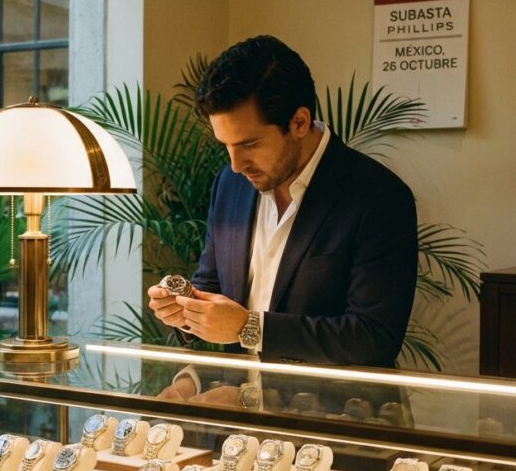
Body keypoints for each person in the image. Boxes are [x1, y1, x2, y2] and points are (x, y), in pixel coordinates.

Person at [148, 35, 418, 403]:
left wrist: (250, 328)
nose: (234, 164)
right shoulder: (228, 184)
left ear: (300, 121)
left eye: (248, 144)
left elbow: (373, 338)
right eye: (224, 145)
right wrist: (185, 312)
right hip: (233, 428)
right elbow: (211, 285)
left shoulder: (379, 196)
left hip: (331, 431)